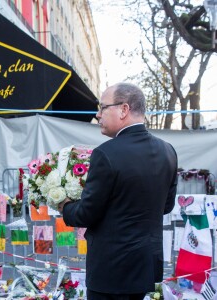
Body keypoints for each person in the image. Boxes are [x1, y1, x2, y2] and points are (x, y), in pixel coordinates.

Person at [58, 82, 178, 300]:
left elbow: (86, 214)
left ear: (124, 109)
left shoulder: (106, 154)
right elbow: (166, 206)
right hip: (144, 267)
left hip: (110, 270)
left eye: (103, 107)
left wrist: (63, 204)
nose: (97, 115)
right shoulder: (167, 151)